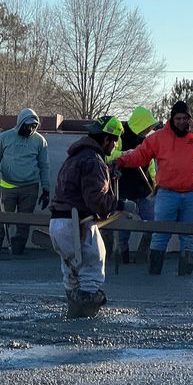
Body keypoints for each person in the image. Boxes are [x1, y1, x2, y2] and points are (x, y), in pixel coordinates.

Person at [115, 100, 193, 276]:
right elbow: (140, 155)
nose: (181, 122)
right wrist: (121, 160)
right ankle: (154, 274)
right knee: (160, 234)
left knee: (189, 236)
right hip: (167, 194)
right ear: (172, 119)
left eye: (185, 118)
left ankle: (185, 276)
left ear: (190, 119)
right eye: (178, 118)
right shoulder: (159, 137)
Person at [49, 116, 137, 318]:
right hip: (77, 224)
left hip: (59, 222)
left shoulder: (75, 157)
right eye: (114, 141)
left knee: (72, 274)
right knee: (91, 271)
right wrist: (120, 204)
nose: (115, 146)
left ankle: (73, 316)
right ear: (106, 140)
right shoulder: (92, 161)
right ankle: (83, 322)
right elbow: (95, 199)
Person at [0, 108, 50, 256]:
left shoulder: (39, 141)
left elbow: (44, 165)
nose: (30, 129)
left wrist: (46, 189)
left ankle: (18, 253)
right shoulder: (5, 137)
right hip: (7, 186)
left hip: (30, 187)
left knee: (23, 222)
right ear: (20, 123)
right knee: (2, 221)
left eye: (33, 126)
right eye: (27, 125)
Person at [107, 106, 158, 263]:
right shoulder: (121, 136)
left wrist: (155, 184)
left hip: (143, 190)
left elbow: (150, 166)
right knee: (123, 228)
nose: (149, 129)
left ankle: (143, 255)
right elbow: (109, 155)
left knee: (153, 225)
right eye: (148, 126)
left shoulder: (146, 141)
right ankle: (123, 255)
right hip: (123, 190)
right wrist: (124, 154)